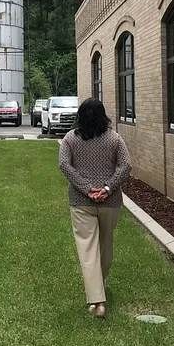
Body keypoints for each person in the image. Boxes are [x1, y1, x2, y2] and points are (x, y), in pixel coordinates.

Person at [58, 98, 132, 318]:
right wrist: (107, 188)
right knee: (105, 248)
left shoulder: (70, 139)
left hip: (81, 203)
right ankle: (98, 293)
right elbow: (126, 165)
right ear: (103, 115)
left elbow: (64, 164)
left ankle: (97, 301)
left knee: (88, 251)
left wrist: (86, 189)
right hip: (110, 202)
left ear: (80, 115)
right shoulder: (114, 139)